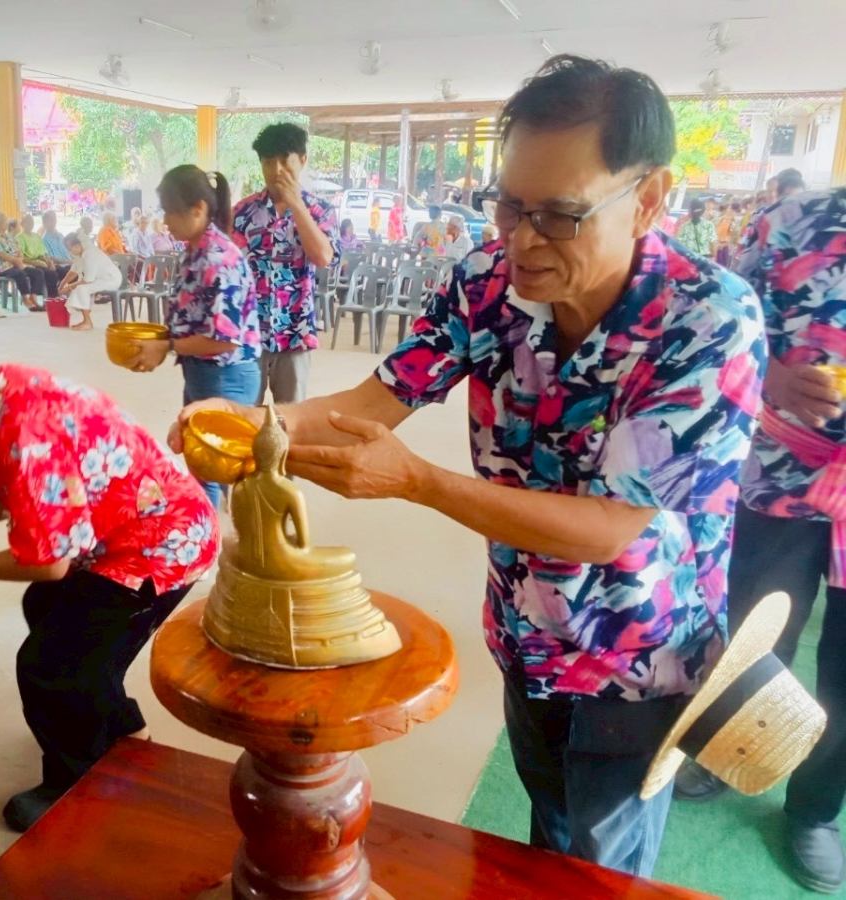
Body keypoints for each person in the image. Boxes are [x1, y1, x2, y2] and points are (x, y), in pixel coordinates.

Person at [172, 55, 766, 877]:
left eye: (559, 215)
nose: (520, 239)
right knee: (545, 829)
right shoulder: (490, 283)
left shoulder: (708, 324)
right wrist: (256, 421)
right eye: (508, 204)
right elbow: (379, 397)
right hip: (523, 631)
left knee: (598, 866)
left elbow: (610, 530)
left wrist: (418, 482)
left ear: (649, 199)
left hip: (634, 663)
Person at [0, 326, 218, 831]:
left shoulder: (25, 429)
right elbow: (11, 493)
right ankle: (120, 728)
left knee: (49, 667)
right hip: (136, 529)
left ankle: (77, 786)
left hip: (160, 548)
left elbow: (50, 562)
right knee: (48, 611)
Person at [675, 187, 846, 894]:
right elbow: (720, 319)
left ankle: (815, 809)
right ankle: (729, 750)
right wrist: (773, 375)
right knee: (756, 629)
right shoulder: (791, 223)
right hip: (778, 470)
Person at [127, 164, 262, 506]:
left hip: (225, 375)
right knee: (204, 464)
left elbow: (224, 338)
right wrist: (159, 342)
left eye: (171, 212)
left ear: (198, 208)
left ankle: (213, 536)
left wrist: (168, 345)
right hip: (202, 372)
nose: (166, 221)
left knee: (214, 472)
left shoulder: (219, 258)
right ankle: (213, 534)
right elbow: (192, 315)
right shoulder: (195, 250)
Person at [233, 123, 338, 405]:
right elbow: (228, 268)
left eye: (284, 161)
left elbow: (323, 257)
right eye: (269, 162)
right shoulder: (242, 212)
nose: (277, 170)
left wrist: (297, 205)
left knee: (290, 420)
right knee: (243, 419)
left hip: (295, 333)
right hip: (247, 334)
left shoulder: (320, 211)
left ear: (302, 160)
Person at [58, 233, 121, 331]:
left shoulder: (89, 253)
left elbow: (88, 280)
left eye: (69, 249)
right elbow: (74, 270)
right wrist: (62, 284)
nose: (69, 252)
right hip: (102, 279)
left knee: (81, 289)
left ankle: (87, 322)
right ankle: (86, 319)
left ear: (77, 246)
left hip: (110, 280)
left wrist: (69, 287)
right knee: (80, 288)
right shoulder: (82, 252)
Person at [0, 211, 46, 312]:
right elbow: (0, 254)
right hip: (3, 267)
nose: (6, 223)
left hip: (17, 264)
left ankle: (32, 297)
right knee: (20, 273)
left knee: (38, 272)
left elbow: (18, 250)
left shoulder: (8, 236)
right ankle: (25, 298)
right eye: (4, 221)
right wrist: (15, 261)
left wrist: (19, 259)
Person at [16, 213, 62, 299]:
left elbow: (43, 253)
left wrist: (49, 262)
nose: (30, 224)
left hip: (41, 263)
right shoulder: (19, 237)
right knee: (50, 274)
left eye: (31, 222)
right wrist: (36, 263)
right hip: (29, 264)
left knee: (57, 269)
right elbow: (21, 257)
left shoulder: (36, 236)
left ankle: (55, 296)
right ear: (22, 224)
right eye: (27, 222)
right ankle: (49, 298)